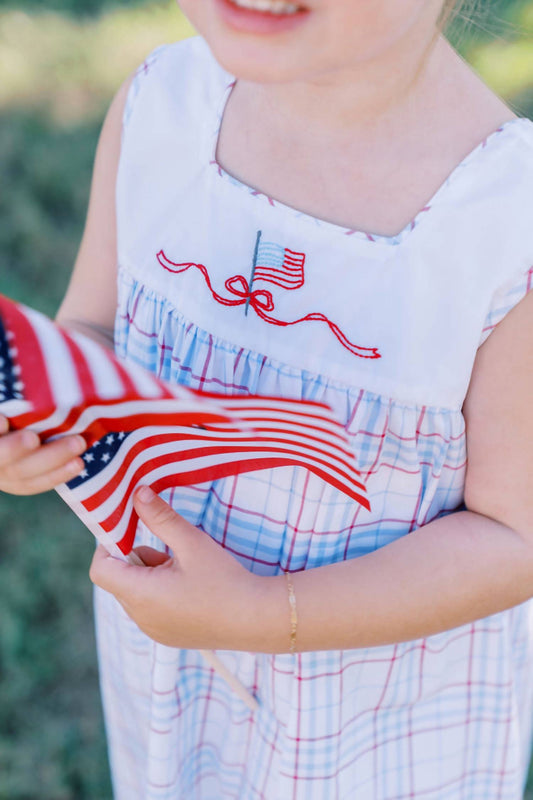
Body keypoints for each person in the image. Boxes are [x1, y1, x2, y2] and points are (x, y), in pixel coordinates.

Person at [1, 0, 533, 796]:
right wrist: (36, 422)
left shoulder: (503, 225)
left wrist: (263, 613)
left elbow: (512, 536)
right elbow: (93, 331)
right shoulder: (159, 106)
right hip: (177, 661)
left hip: (374, 716)